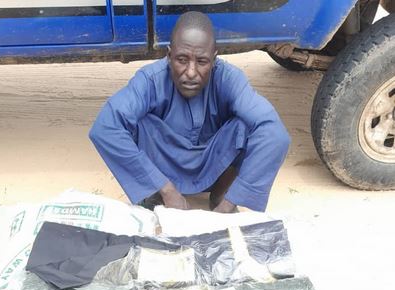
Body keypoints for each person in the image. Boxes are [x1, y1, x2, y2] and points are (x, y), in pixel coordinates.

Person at [89, 11, 290, 213]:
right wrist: (167, 190)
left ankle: (222, 193)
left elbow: (275, 134)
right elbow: (105, 128)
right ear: (169, 56)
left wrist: (230, 203)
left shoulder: (230, 79)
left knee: (247, 126)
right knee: (134, 122)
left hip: (215, 168)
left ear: (214, 59)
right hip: (162, 169)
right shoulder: (150, 80)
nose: (191, 72)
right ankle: (155, 193)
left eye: (202, 62)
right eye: (182, 60)